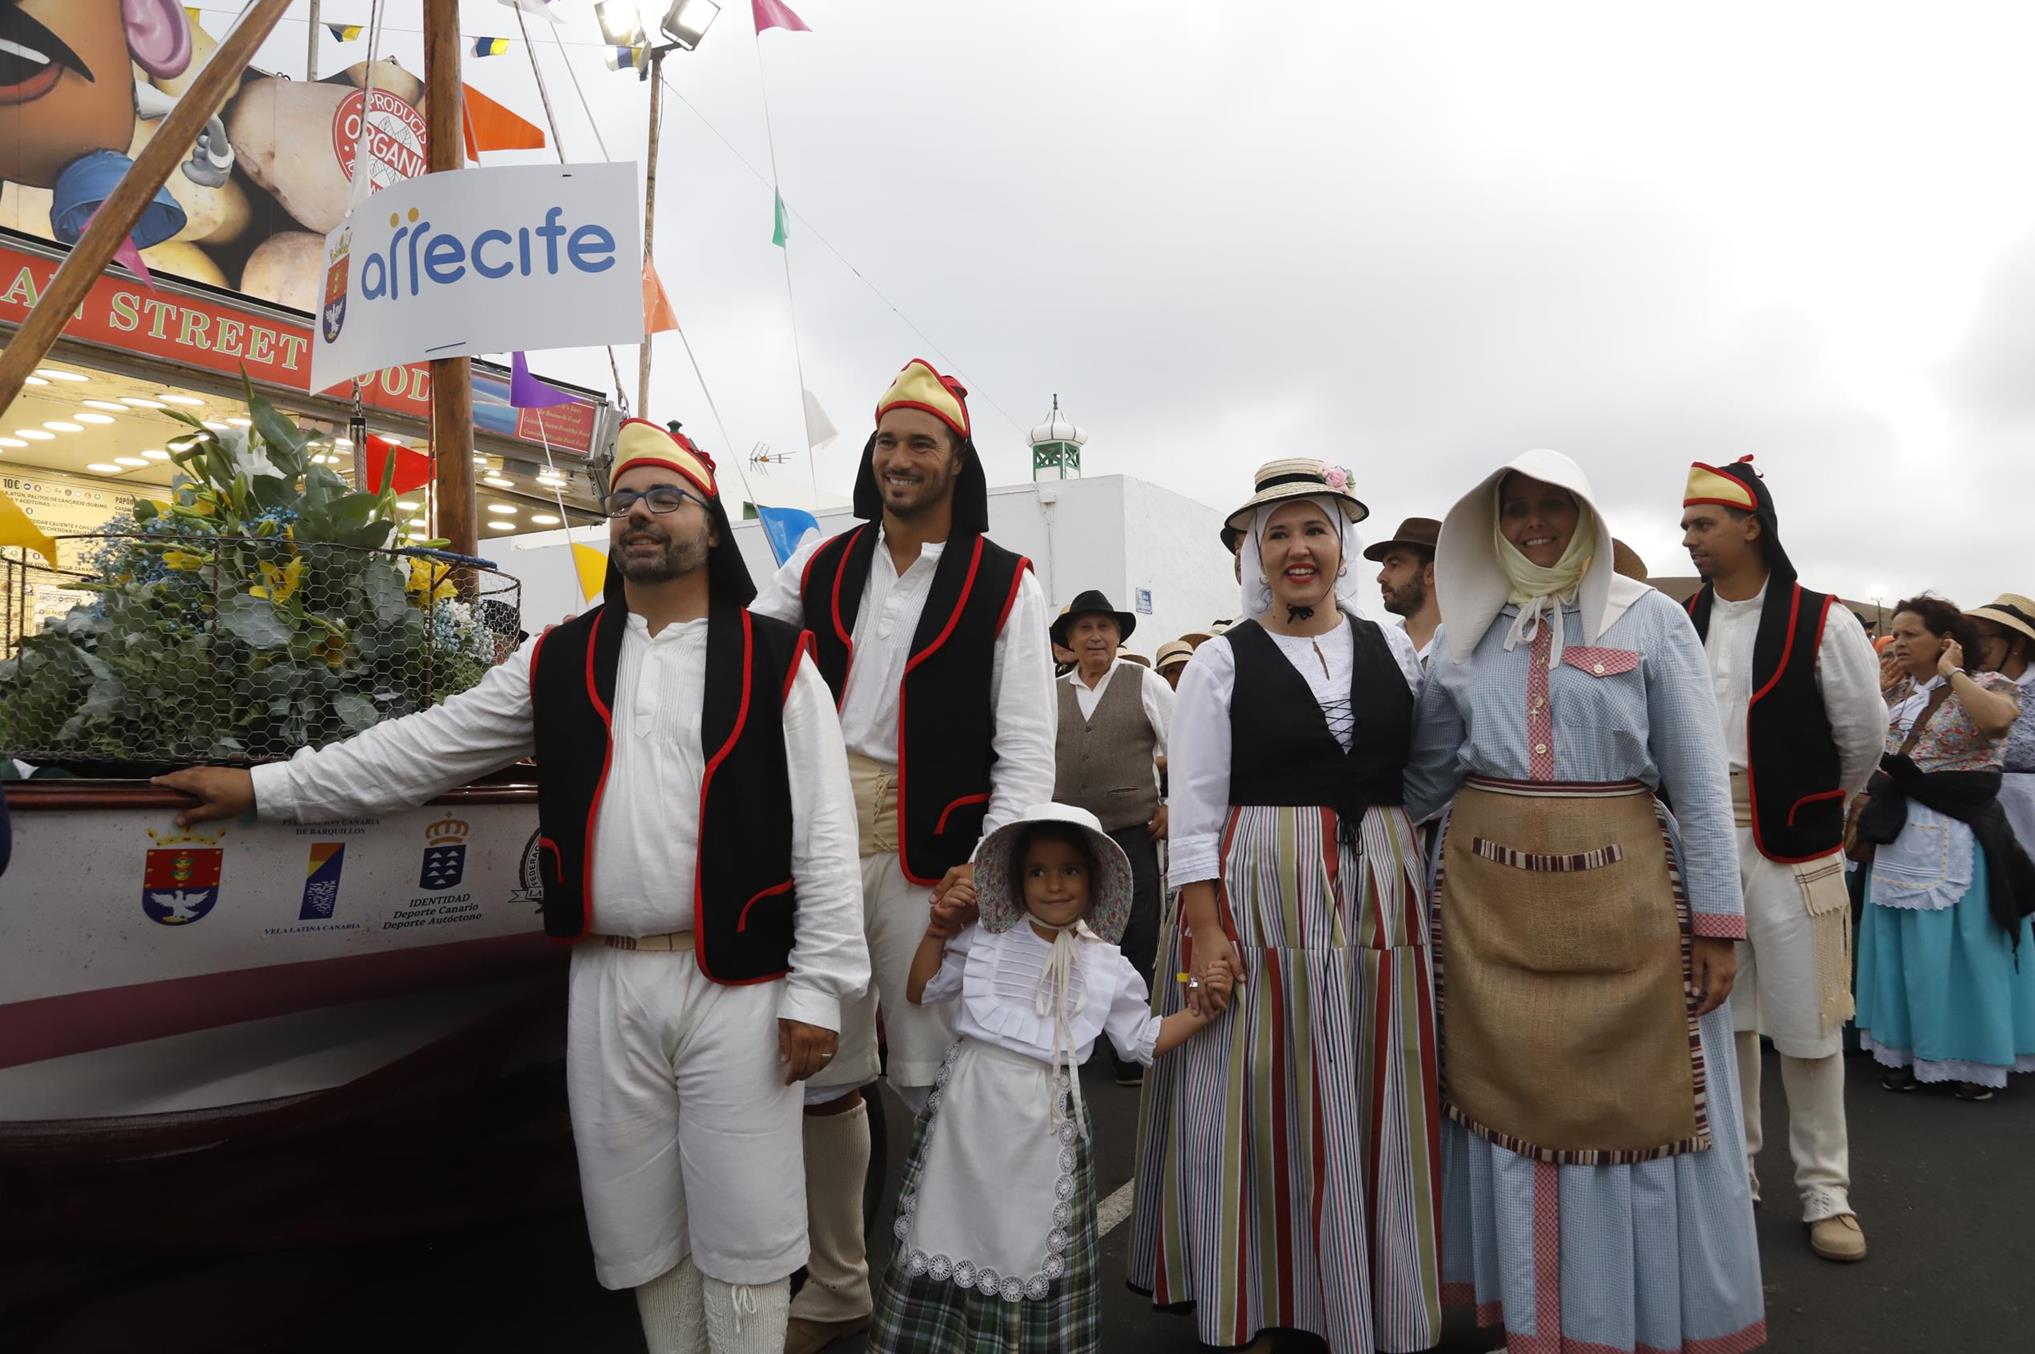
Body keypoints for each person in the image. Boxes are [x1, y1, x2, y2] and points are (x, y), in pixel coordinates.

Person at [154, 420, 868, 1354]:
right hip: (606, 981)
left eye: (662, 499)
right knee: (638, 1223)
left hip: (737, 984)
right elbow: (420, 751)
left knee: (744, 1228)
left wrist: (817, 991)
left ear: (709, 526)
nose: (638, 517)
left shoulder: (778, 662)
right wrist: (265, 787)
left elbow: (823, 835)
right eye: (622, 502)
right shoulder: (558, 657)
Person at [1408, 448, 1764, 1354]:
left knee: (1636, 1105)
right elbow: (1431, 769)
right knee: (1508, 1103)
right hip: (1485, 906)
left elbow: (1693, 772)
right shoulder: (1464, 630)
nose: (1533, 524)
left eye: (1553, 507)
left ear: (1589, 519)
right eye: (1515, 508)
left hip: (1630, 901)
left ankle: (1624, 1324)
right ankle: (1532, 1323)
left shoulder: (1647, 622)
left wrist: (1718, 926)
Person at [750, 358, 1057, 1353]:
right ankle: (838, 1286)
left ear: (956, 461)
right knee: (822, 1071)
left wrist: (989, 863)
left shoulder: (1007, 581)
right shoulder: (821, 564)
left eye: (918, 442)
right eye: (886, 441)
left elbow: (1025, 748)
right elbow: (744, 662)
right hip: (819, 833)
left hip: (930, 845)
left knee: (931, 1080)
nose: (897, 458)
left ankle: (962, 1291)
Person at [1129, 457, 1441, 1354]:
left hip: (1378, 882)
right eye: (1278, 533)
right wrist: (1201, 927)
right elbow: (1191, 803)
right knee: (1260, 1091)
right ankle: (1260, 1292)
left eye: (1312, 530)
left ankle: (1367, 1292)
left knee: (1371, 1080)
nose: (1297, 549)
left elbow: (1425, 775)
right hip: (1258, 882)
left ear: (1339, 546)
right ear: (1253, 554)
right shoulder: (1223, 660)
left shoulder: (1394, 650)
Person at [867, 803, 1232, 1353]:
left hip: (1045, 1121)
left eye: (1070, 870)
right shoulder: (985, 937)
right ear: (1017, 879)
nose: (1054, 884)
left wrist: (1203, 1010)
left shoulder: (1107, 964)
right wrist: (938, 932)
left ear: (1094, 882)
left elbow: (1142, 1040)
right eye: (1038, 871)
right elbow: (921, 990)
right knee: (950, 1231)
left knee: (1028, 1245)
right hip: (968, 1113)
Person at [1679, 456, 1886, 1262]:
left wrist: (1808, 805)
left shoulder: (1821, 619)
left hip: (1794, 844)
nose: (1690, 538)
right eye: (1687, 525)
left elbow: (1861, 740)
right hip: (1702, 842)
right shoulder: (1680, 620)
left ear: (1750, 526)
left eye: (1703, 524)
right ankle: (1737, 1175)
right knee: (1719, 1021)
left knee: (1807, 1025)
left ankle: (1824, 1191)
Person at [1853, 596, 2035, 1102]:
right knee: (1903, 947)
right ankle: (1908, 1052)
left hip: (1958, 833)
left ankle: (1969, 1059)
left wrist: (1955, 673)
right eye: (1900, 633)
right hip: (1900, 829)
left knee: (1960, 947)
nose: (1901, 643)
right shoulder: (1900, 694)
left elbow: (1998, 722)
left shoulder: (1986, 685)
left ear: (1946, 640)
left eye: (1913, 634)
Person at [1051, 589, 1175, 1086]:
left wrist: (1172, 805)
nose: (1096, 636)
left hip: (1132, 832)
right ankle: (1079, 1043)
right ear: (1070, 641)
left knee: (1135, 938)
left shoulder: (1144, 682)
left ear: (1119, 636)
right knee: (1071, 936)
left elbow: (1186, 745)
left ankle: (1130, 1050)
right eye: (1085, 628)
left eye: (1105, 627)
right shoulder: (1051, 690)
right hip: (1069, 839)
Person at [1969, 593, 2035, 853]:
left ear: (2017, 643)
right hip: (1973, 819)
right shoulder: (1965, 685)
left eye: (1983, 638)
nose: (1975, 646)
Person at [1365, 515, 1442, 665]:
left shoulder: (1468, 650)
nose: (1381, 577)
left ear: (1431, 573)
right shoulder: (1379, 647)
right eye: (1384, 566)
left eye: (1394, 565)